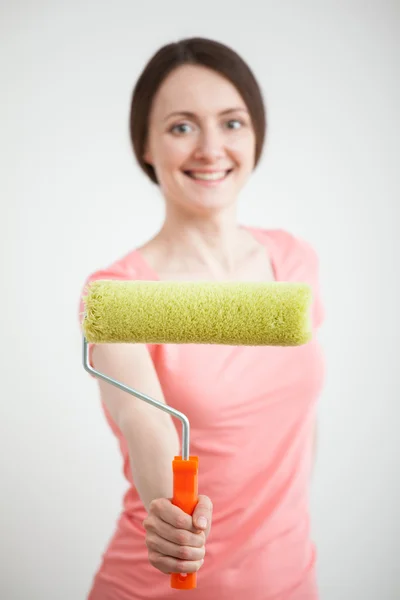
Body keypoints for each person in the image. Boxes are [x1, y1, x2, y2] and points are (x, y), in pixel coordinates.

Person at [79, 36, 325, 600]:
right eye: (182, 126)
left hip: (291, 580)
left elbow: (299, 421)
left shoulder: (295, 262)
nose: (211, 147)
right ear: (146, 144)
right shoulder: (117, 296)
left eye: (232, 123)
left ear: (255, 133)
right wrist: (172, 518)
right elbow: (145, 426)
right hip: (162, 585)